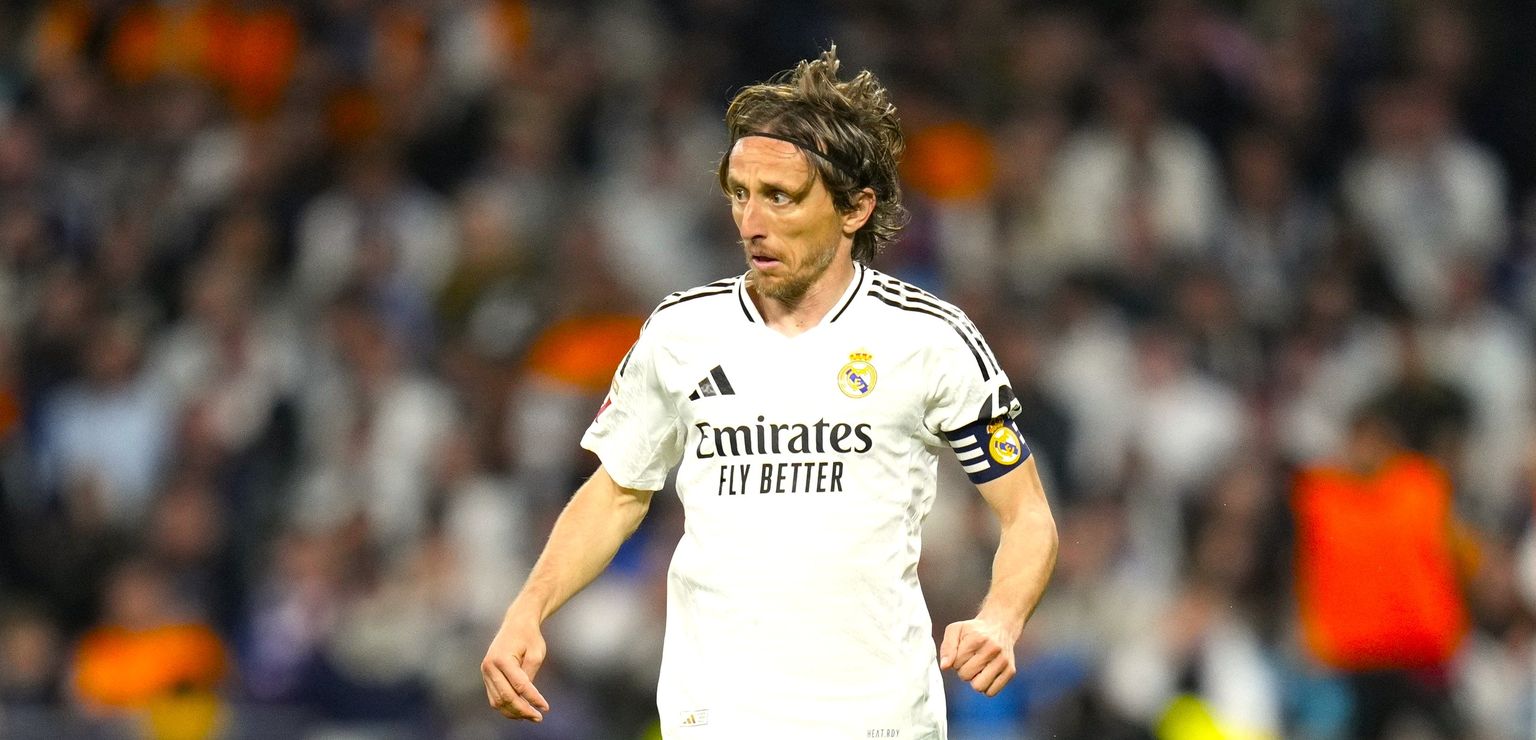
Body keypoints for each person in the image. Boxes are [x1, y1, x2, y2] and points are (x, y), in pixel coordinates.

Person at [481, 46, 1059, 739]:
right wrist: (529, 608)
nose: (751, 222)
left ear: (855, 207)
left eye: (780, 196)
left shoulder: (928, 339)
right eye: (740, 193)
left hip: (876, 719)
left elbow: (1028, 515)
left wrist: (1000, 617)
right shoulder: (681, 332)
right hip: (719, 716)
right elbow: (616, 492)